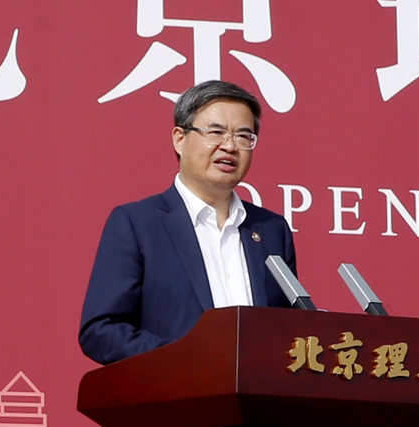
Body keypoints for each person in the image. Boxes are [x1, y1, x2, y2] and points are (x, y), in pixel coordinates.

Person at [79, 80, 295, 365]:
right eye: (216, 132)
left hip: (256, 393)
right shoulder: (138, 224)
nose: (230, 146)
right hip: (174, 389)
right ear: (180, 139)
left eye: (244, 136)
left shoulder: (271, 229)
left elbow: (291, 330)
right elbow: (101, 331)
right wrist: (187, 359)